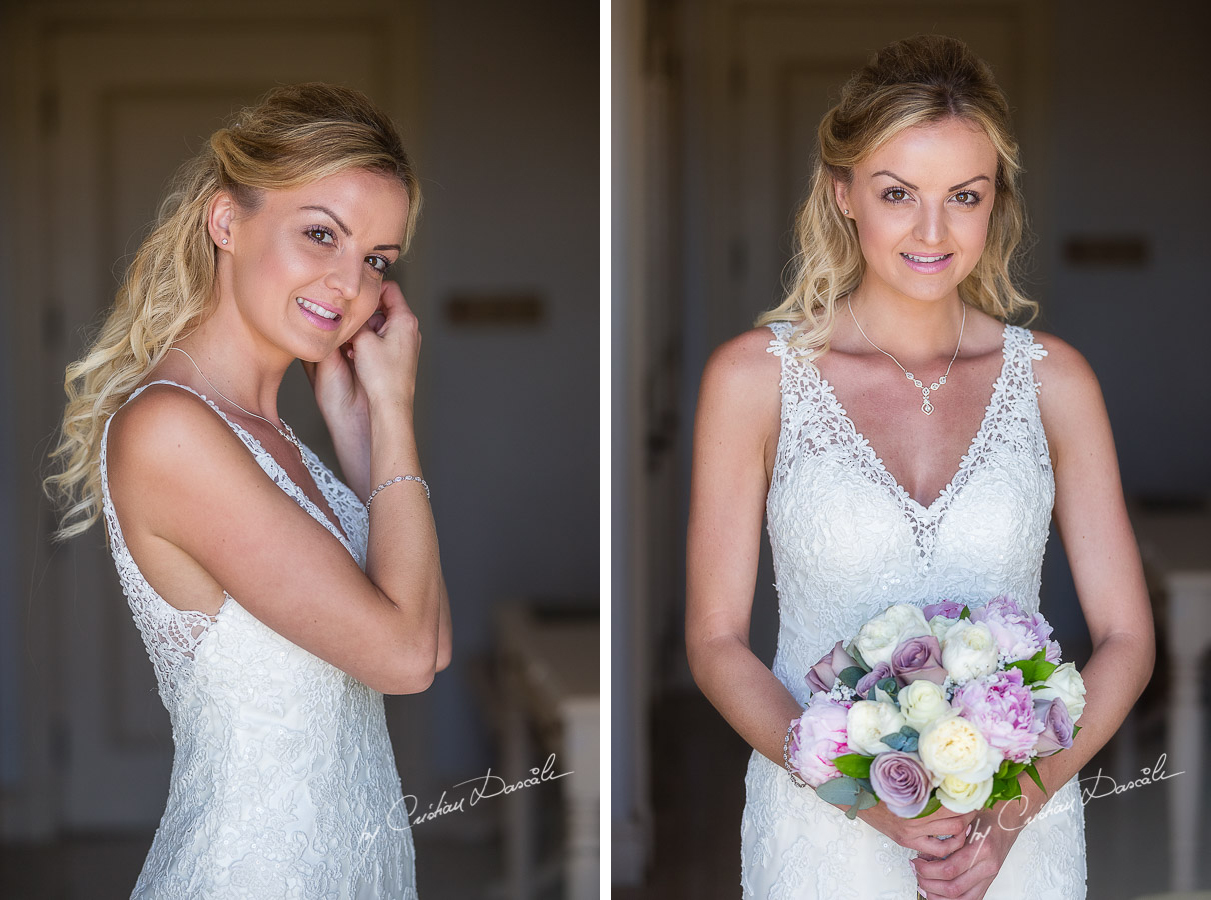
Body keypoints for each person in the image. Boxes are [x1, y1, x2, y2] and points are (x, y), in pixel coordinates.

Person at [685, 35, 1154, 900]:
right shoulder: (753, 379)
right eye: (897, 193)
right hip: (820, 833)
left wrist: (1012, 813)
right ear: (842, 196)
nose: (931, 231)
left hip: (1017, 842)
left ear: (993, 205)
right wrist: (866, 801)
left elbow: (1126, 638)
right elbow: (715, 643)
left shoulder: (1056, 382)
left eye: (962, 197)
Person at [44, 83, 451, 898]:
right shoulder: (171, 430)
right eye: (319, 235)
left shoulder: (269, 434)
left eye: (376, 260)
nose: (348, 283)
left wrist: (361, 431)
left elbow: (429, 642)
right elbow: (405, 660)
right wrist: (394, 408)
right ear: (226, 222)